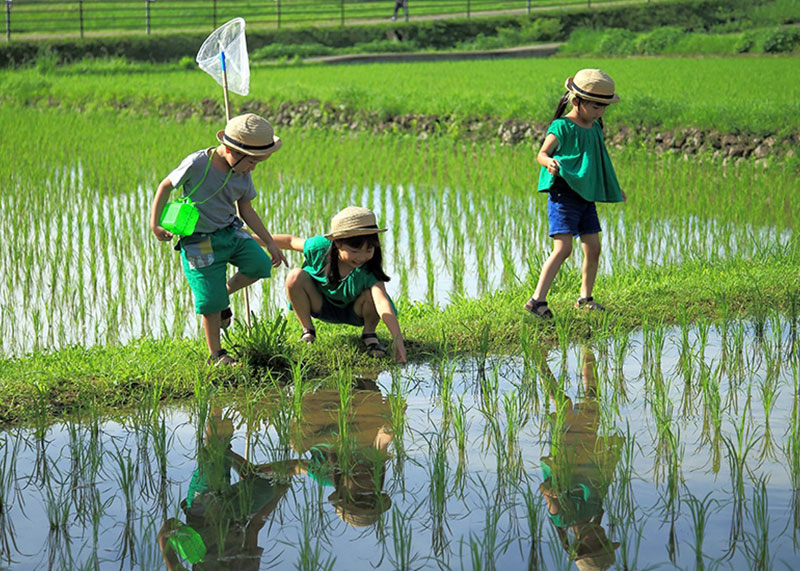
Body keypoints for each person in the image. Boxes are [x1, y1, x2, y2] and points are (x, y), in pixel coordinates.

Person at [150, 113, 288, 366]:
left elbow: (246, 209)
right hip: (198, 241)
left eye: (259, 162)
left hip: (230, 232)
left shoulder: (243, 174)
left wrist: (269, 242)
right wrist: (155, 224)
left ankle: (221, 296)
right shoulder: (197, 163)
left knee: (259, 265)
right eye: (252, 161)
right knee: (209, 301)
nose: (253, 168)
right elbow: (165, 186)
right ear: (229, 149)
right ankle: (217, 354)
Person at [524, 69, 625, 319]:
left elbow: (601, 163)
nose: (600, 112)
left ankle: (585, 298)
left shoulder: (595, 129)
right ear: (576, 101)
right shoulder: (562, 126)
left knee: (593, 247)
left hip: (585, 197)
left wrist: (614, 187)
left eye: (603, 107)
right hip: (563, 195)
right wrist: (548, 162)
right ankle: (537, 301)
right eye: (595, 106)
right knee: (563, 248)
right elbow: (542, 153)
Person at [158, 408, 300, 570]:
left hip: (203, 509)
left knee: (215, 453)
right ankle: (235, 459)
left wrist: (173, 528)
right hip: (234, 513)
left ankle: (215, 401)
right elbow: (253, 527)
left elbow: (164, 535)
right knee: (269, 484)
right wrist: (277, 493)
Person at [264, 206, 407, 364]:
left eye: (369, 250)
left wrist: (397, 340)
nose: (361, 257)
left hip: (357, 311)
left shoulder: (369, 268)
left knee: (372, 294)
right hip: (321, 304)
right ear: (337, 243)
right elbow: (290, 241)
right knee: (294, 276)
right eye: (355, 250)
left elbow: (382, 302)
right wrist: (250, 238)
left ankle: (369, 334)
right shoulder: (319, 248)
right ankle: (308, 331)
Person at [537, 347, 624, 571]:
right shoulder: (597, 509)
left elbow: (544, 488)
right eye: (604, 541)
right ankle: (588, 344)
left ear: (579, 545)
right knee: (593, 395)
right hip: (586, 445)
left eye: (597, 543)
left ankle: (539, 358)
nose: (601, 537)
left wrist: (552, 491)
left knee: (563, 402)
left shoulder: (562, 519)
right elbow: (599, 476)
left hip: (566, 448)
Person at [290, 377, 401, 527]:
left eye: (357, 495)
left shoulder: (323, 474)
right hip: (360, 396)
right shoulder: (372, 461)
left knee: (296, 445)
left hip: (325, 402)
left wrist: (256, 471)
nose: (364, 487)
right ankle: (358, 380)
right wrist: (391, 423)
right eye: (370, 495)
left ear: (342, 492)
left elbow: (295, 467)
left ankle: (307, 387)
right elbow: (382, 440)